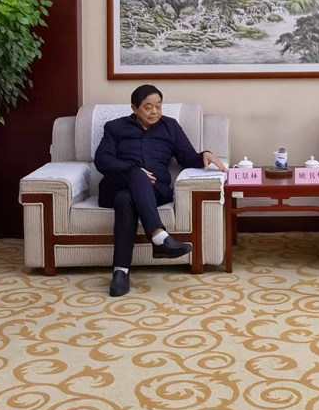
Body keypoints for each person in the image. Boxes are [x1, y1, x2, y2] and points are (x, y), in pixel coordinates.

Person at [95, 85, 227, 297]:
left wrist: (204, 154)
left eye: (158, 106)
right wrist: (132, 171)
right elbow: (102, 160)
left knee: (125, 199)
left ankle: (121, 272)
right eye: (148, 107)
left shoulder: (170, 127)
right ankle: (159, 237)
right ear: (134, 108)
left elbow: (186, 158)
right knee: (134, 176)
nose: (154, 111)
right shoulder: (115, 127)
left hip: (154, 191)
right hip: (115, 185)